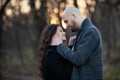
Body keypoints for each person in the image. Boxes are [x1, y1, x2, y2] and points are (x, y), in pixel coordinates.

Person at [54, 6, 103, 80]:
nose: (66, 26)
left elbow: (78, 59)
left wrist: (60, 45)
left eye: (66, 21)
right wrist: (71, 45)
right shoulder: (82, 33)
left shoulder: (91, 32)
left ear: (73, 16)